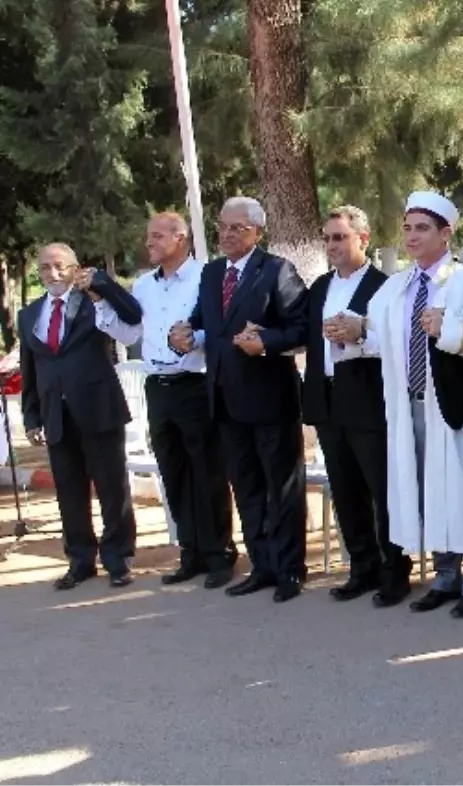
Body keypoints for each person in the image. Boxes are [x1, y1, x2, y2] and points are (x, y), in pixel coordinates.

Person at [359, 192, 463, 618]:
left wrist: (448, 329)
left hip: (451, 405)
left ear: (445, 233)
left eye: (422, 228)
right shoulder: (398, 285)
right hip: (409, 404)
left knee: (460, 487)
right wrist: (357, 329)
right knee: (424, 488)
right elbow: (381, 339)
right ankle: (443, 578)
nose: (412, 236)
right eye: (407, 227)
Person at [170, 196, 309, 603]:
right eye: (223, 227)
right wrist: (181, 335)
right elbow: (201, 323)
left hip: (269, 398)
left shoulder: (277, 271)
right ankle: (262, 565)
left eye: (237, 228)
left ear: (257, 232)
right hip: (225, 399)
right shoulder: (213, 273)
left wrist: (265, 342)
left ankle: (289, 569)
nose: (227, 235)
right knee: (246, 487)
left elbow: (301, 327)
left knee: (280, 488)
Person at [100, 213, 237, 589]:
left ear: (181, 239)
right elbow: (130, 332)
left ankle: (219, 553)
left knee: (206, 471)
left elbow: (218, 327)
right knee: (173, 471)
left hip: (194, 382)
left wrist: (196, 338)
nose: (150, 242)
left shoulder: (205, 278)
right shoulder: (144, 286)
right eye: (148, 236)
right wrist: (103, 306)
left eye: (158, 236)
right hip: (157, 386)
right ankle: (190, 551)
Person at [302, 206, 413, 607]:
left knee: (381, 491)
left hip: (367, 399)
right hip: (328, 400)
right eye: (328, 238)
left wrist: (361, 332)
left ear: (362, 239)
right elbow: (303, 336)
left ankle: (394, 572)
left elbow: (400, 341)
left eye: (340, 237)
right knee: (345, 490)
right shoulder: (318, 287)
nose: (332, 245)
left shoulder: (386, 286)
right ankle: (361, 567)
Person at [18, 243, 142, 589]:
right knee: (69, 492)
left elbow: (132, 316)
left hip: (98, 407)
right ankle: (80, 560)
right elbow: (30, 371)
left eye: (60, 266)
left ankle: (118, 559)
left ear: (75, 268)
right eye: (44, 267)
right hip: (55, 415)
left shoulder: (92, 302)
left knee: (111, 488)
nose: (52, 274)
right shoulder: (29, 314)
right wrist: (32, 418)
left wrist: (101, 284)